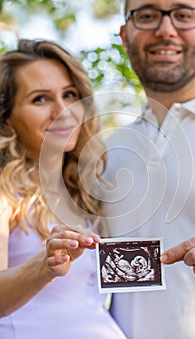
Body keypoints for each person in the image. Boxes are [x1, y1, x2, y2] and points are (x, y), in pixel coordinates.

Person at [103, 0, 195, 338]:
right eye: (146, 15)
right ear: (125, 35)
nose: (166, 29)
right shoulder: (110, 149)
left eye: (183, 14)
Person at [0, 39, 126, 339]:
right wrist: (44, 266)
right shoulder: (5, 192)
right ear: (6, 117)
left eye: (70, 95)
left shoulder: (84, 192)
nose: (63, 111)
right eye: (40, 99)